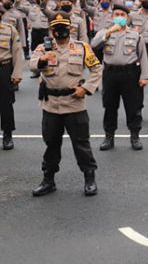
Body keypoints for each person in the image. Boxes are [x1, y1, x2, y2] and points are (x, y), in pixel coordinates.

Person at [29, 12, 102, 197]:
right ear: (51, 30)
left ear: (70, 28)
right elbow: (31, 65)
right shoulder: (43, 48)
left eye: (63, 27)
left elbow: (97, 69)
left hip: (74, 104)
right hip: (51, 105)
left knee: (81, 144)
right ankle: (48, 180)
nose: (60, 31)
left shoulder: (82, 48)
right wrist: (43, 59)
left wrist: (85, 89)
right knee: (51, 144)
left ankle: (89, 178)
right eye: (56, 28)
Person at [90, 4, 148, 151]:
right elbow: (94, 45)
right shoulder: (104, 32)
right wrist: (109, 32)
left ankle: (135, 136)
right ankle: (109, 137)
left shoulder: (135, 35)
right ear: (112, 17)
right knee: (110, 106)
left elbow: (143, 57)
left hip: (130, 73)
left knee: (133, 106)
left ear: (127, 18)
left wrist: (145, 76)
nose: (119, 17)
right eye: (116, 14)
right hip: (110, 74)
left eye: (122, 15)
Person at [0, 6, 23, 150]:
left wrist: (17, 73)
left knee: (6, 104)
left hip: (4, 68)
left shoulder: (9, 29)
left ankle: (7, 135)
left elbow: (17, 52)